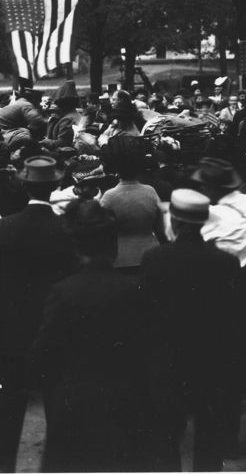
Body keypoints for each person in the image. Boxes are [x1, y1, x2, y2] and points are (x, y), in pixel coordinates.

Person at [32, 198, 156, 472]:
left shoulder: (63, 292)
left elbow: (44, 352)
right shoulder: (133, 290)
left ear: (75, 246)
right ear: (112, 245)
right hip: (124, 400)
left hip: (74, 399)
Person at [0, 156, 76, 473]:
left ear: (25, 186)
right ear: (55, 187)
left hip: (10, 324)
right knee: (58, 409)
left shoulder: (4, 226)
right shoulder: (65, 228)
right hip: (52, 324)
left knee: (6, 410)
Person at [139, 189, 242, 471]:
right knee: (208, 425)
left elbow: (145, 308)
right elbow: (230, 314)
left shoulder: (154, 258)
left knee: (166, 428)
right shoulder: (225, 261)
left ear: (175, 220)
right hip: (209, 352)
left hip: (167, 351)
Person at [192, 157, 246, 268]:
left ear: (212, 189)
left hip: (232, 275)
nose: (202, 190)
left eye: (203, 187)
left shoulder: (213, 214)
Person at [98, 136, 164, 268]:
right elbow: (160, 228)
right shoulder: (150, 191)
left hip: (121, 257)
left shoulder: (109, 196)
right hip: (151, 254)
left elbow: (103, 234)